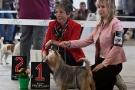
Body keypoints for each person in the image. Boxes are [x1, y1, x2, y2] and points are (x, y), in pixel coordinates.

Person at [60, 0, 127, 90]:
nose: (100, 9)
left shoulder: (116, 24)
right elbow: (87, 40)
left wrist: (104, 64)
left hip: (113, 64)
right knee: (84, 76)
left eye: (103, 7)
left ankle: (113, 78)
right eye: (98, 7)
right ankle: (113, 79)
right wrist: (70, 43)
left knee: (90, 79)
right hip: (101, 61)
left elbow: (117, 47)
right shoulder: (99, 25)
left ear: (110, 8)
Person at [42, 0, 85, 66]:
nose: (58, 15)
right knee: (51, 54)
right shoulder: (52, 24)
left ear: (69, 13)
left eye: (61, 12)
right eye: (56, 12)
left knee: (55, 50)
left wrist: (53, 42)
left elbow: (71, 45)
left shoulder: (76, 26)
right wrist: (44, 56)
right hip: (57, 56)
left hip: (73, 57)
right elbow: (46, 45)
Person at [14, 0, 50, 67]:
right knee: (39, 39)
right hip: (42, 12)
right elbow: (52, 2)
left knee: (25, 39)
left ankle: (23, 64)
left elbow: (17, 1)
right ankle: (36, 65)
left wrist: (18, 9)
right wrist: (49, 11)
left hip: (25, 11)